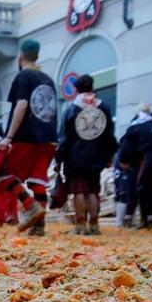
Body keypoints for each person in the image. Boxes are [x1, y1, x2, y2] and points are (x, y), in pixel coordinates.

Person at [0, 40, 57, 235]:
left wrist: (8, 136)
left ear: (20, 57)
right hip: (48, 137)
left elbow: (22, 105)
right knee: (38, 180)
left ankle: (30, 206)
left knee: (2, 173)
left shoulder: (23, 76)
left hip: (26, 136)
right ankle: (39, 227)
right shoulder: (48, 79)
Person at [54, 74, 118, 235]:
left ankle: (80, 225)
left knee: (78, 191)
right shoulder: (103, 107)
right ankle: (94, 224)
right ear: (92, 87)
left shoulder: (71, 108)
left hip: (74, 156)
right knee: (92, 191)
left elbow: (64, 136)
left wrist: (59, 158)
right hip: (96, 156)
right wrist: (109, 155)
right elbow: (109, 133)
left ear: (76, 90)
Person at [118, 106, 152, 229]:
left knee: (142, 187)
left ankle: (145, 220)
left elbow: (126, 145)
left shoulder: (135, 126)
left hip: (147, 157)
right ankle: (151, 217)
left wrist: (124, 160)